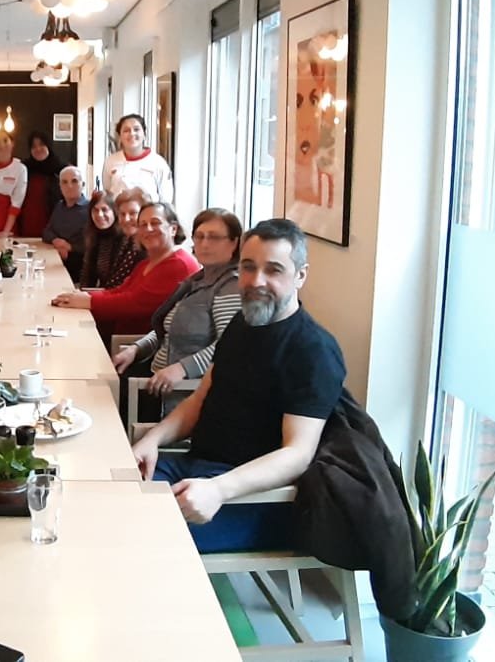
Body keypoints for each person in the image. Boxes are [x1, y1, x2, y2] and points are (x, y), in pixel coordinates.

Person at [130, 219, 346, 553]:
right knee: (105, 498)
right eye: (248, 267)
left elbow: (297, 454)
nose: (256, 281)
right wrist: (153, 440)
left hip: (252, 499)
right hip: (193, 468)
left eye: (273, 270)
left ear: (300, 276)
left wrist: (219, 489)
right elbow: (200, 400)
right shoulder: (242, 323)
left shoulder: (313, 350)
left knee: (135, 538)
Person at [112, 208, 244, 418]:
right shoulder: (198, 280)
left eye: (214, 237)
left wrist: (183, 368)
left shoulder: (231, 287)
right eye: (199, 236)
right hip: (154, 376)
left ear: (234, 243)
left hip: (178, 392)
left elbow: (229, 345)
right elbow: (169, 329)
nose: (204, 244)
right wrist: (136, 349)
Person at [52, 202, 199, 341]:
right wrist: (81, 297)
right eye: (143, 225)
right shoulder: (147, 262)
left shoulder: (179, 264)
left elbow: (134, 303)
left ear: (173, 229)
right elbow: (119, 291)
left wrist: (88, 301)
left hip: (134, 345)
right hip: (118, 333)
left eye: (155, 223)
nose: (148, 229)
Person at [100, 114, 173, 203]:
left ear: (144, 134)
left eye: (136, 129)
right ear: (120, 137)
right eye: (126, 130)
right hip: (118, 211)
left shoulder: (158, 163)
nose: (132, 133)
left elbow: (165, 200)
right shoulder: (111, 161)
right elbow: (108, 193)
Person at [42, 166, 90, 280]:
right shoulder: (59, 206)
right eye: (64, 182)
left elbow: (93, 244)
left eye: (74, 181)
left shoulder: (91, 209)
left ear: (83, 184)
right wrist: (56, 241)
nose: (69, 186)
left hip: (78, 268)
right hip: (55, 260)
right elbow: (47, 231)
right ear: (60, 186)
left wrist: (70, 247)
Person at [18, 131, 64, 237]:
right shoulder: (23, 168)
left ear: (48, 146)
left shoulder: (61, 169)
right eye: (34, 146)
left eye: (41, 144)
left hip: (52, 222)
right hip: (27, 221)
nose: (38, 149)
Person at [77, 190, 119, 288]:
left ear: (114, 212)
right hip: (99, 292)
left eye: (104, 210)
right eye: (95, 210)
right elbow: (87, 276)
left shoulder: (123, 239)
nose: (99, 214)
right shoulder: (94, 235)